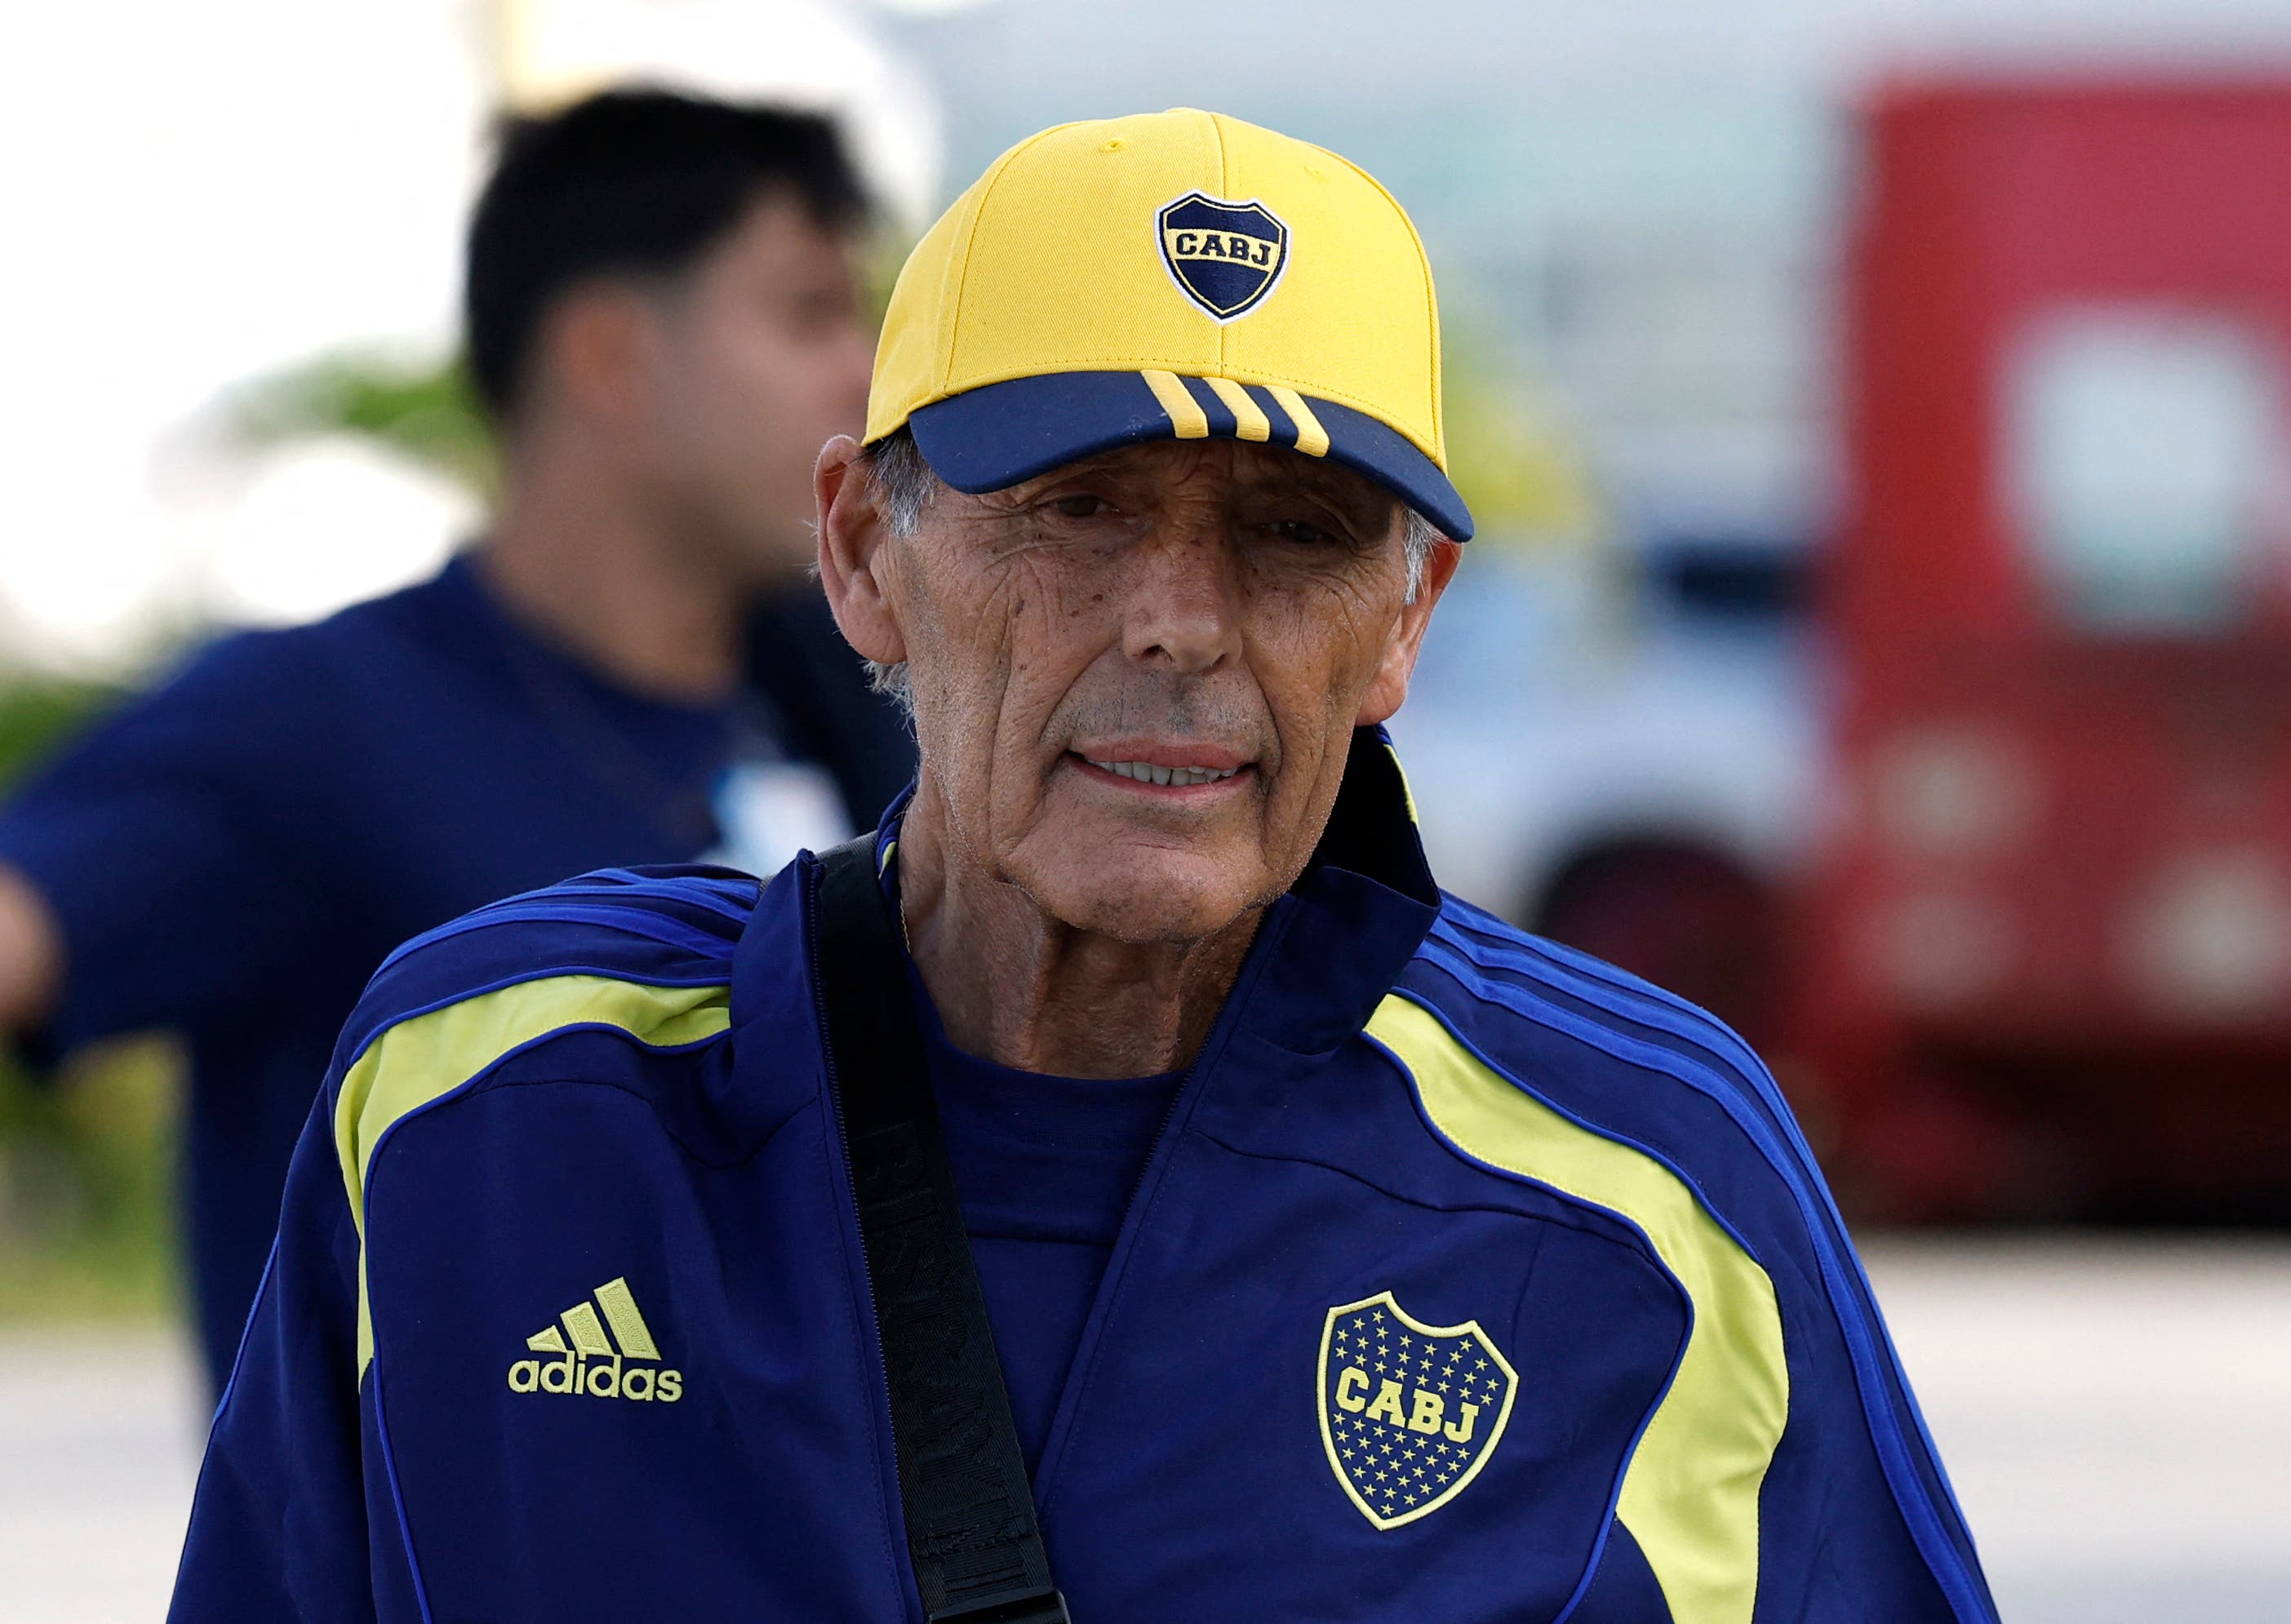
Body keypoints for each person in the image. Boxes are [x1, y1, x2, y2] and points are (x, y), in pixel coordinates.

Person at [169, 109, 1997, 1622]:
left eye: (1295, 534)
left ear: (1402, 622)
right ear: (863, 548)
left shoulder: (1649, 1193)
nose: (1182, 623)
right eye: (1079, 510)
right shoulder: (490, 1106)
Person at [0, 89, 912, 1396]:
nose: (865, 374)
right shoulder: (322, 719)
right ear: (611, 357)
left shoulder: (865, 692)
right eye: (808, 312)